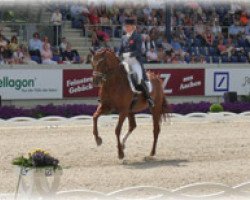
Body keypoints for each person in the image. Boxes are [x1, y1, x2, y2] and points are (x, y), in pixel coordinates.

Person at [119, 18, 154, 107]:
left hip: (135, 61)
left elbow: (139, 51)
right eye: (125, 26)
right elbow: (120, 51)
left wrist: (127, 55)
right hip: (125, 61)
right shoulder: (123, 37)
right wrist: (118, 56)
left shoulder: (137, 37)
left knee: (137, 77)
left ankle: (148, 98)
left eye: (128, 26)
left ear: (133, 27)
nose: (126, 28)